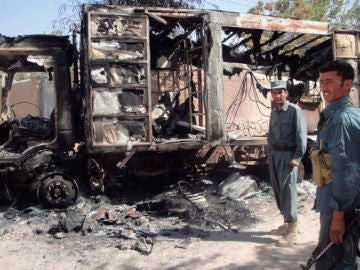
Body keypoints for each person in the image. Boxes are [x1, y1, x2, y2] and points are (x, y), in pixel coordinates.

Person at [313, 60, 360, 269]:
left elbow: (345, 170)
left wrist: (339, 215)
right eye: (322, 81)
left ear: (347, 84)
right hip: (338, 204)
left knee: (334, 262)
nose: (324, 87)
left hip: (340, 207)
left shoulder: (342, 120)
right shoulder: (337, 115)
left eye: (330, 81)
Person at [267, 80, 307, 247]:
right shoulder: (274, 112)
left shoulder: (294, 111)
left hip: (288, 156)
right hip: (275, 155)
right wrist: (269, 154)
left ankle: (293, 231)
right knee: (278, 189)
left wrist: (297, 158)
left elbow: (301, 137)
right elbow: (270, 134)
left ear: (286, 93)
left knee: (288, 190)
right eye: (274, 92)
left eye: (280, 92)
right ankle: (286, 222)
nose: (277, 95)